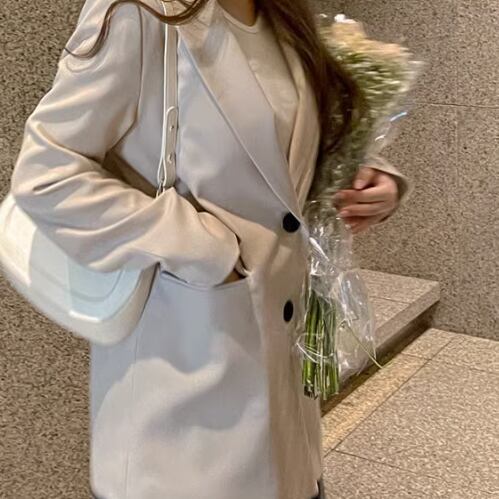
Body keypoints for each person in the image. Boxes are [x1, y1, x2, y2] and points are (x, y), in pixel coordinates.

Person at [9, 0, 413, 497]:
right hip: (185, 387)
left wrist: (367, 179)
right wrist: (206, 251)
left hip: (284, 393)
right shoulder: (142, 13)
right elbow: (47, 176)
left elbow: (282, 156)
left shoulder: (280, 13)